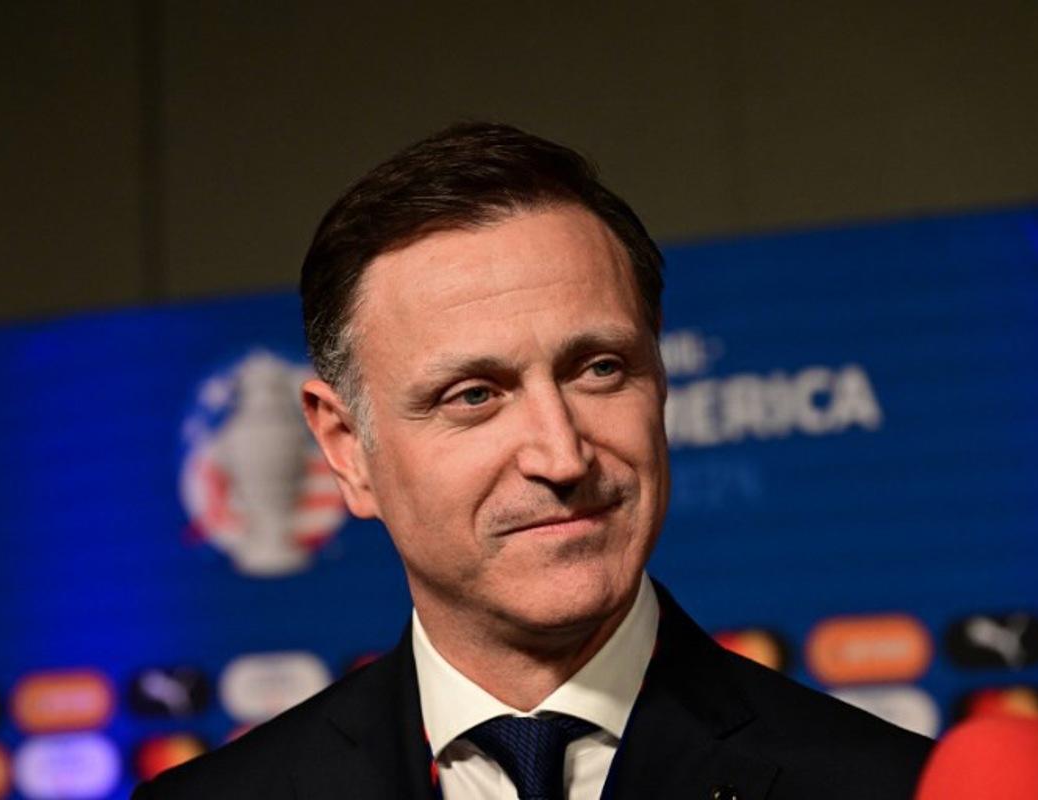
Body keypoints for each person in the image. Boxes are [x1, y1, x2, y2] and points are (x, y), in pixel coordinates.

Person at [133, 122, 931, 799]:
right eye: (474, 395)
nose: (561, 454)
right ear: (348, 451)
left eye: (600, 370)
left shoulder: (891, 786)